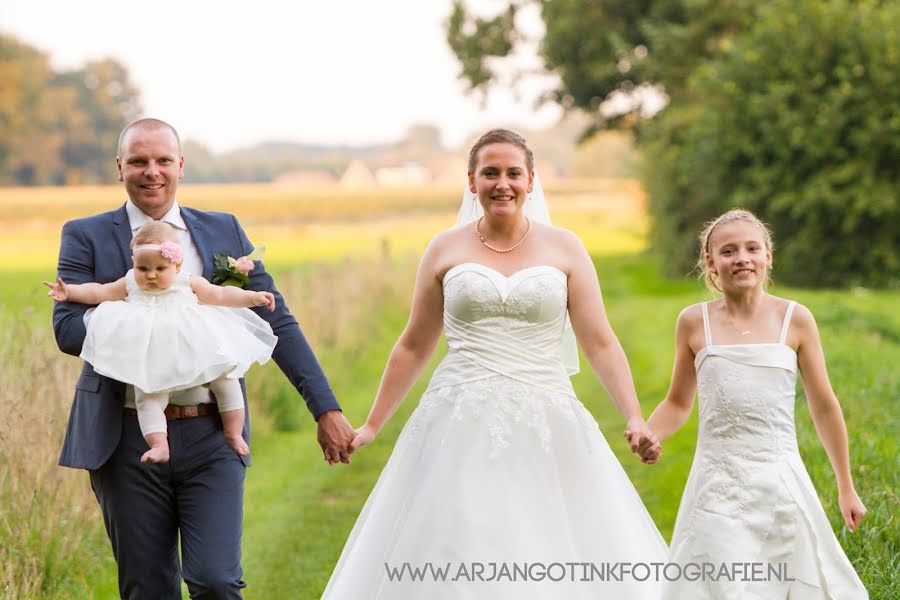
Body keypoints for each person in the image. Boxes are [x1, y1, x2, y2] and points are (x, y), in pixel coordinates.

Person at [322, 129, 667, 599]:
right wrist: (372, 426)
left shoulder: (565, 248)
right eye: (490, 173)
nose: (501, 183)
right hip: (458, 418)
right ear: (471, 182)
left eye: (512, 173)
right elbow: (413, 345)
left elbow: (600, 342)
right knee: (457, 538)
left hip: (547, 416)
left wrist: (633, 416)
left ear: (530, 181)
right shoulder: (444, 248)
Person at [51, 118, 355, 599]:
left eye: (163, 161)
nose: (152, 172)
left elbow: (277, 321)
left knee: (215, 581)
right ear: (119, 167)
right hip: (126, 435)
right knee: (147, 589)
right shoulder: (85, 235)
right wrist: (146, 320)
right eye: (138, 161)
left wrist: (326, 408)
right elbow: (67, 330)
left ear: (181, 166)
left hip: (215, 431)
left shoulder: (223, 229)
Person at [646, 209, 868, 599]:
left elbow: (824, 406)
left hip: (778, 481)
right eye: (728, 251)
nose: (742, 258)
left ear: (768, 255)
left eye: (752, 248)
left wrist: (845, 486)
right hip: (716, 485)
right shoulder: (693, 323)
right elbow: (677, 403)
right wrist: (650, 433)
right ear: (710, 263)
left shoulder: (795, 319)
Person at [46, 221, 278, 463]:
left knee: (226, 380)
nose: (152, 275)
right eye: (143, 268)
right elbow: (98, 292)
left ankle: (233, 432)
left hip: (195, 347)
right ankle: (159, 444)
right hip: (153, 354)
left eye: (160, 268)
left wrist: (252, 297)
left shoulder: (187, 281)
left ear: (177, 265)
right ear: (134, 264)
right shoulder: (130, 283)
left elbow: (220, 295)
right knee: (147, 393)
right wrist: (69, 292)